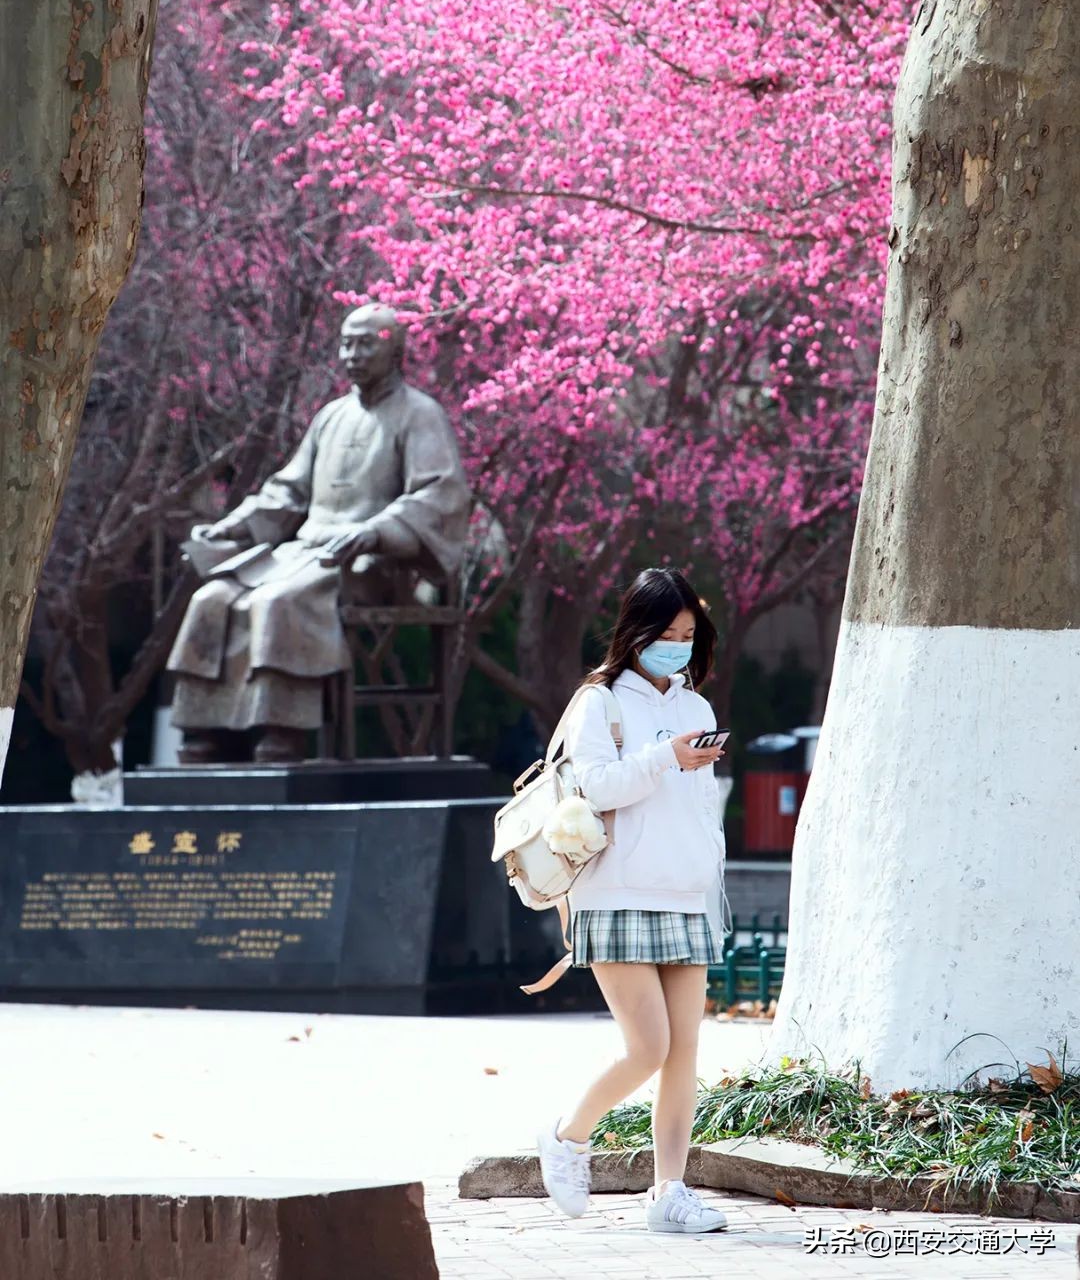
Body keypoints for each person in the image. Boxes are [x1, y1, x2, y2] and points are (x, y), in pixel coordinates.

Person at [166, 303, 471, 762]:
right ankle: (208, 730)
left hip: (371, 563)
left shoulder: (419, 414)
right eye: (347, 343)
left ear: (396, 352)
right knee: (212, 598)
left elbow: (438, 493)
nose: (352, 354)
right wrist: (229, 527)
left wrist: (378, 530)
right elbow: (286, 492)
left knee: (277, 601)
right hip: (302, 552)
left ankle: (281, 729)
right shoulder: (330, 416)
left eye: (365, 343)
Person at [536, 567, 731, 1235]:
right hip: (616, 894)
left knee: (683, 1057)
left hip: (685, 894)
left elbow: (705, 809)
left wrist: (709, 870)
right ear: (636, 633)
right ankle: (567, 1136)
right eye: (666, 634)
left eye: (687, 635)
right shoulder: (601, 702)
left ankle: (669, 1193)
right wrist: (664, 758)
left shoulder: (695, 707)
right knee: (647, 1048)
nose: (678, 646)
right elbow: (592, 789)